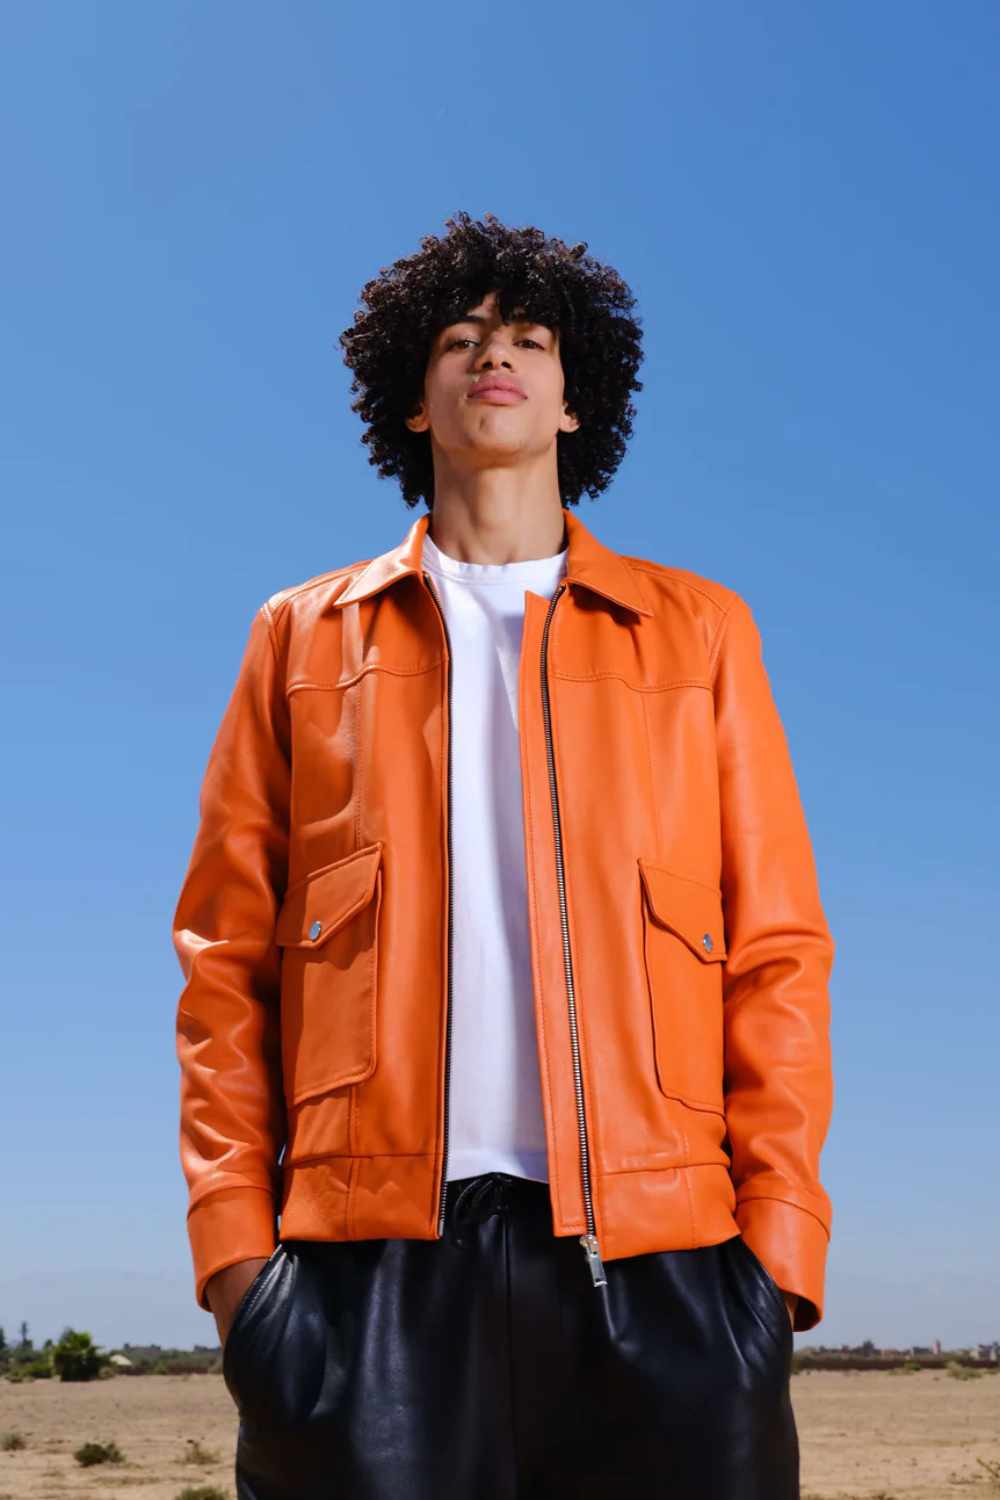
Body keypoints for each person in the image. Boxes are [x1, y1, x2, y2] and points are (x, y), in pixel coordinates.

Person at [172, 210, 835, 1499]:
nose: (496, 356)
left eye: (530, 337)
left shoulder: (698, 634)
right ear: (411, 402)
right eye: (461, 338)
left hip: (670, 1258)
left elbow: (776, 950)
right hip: (361, 1267)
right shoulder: (299, 639)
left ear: (573, 398)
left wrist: (776, 1258)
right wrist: (241, 1271)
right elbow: (224, 966)